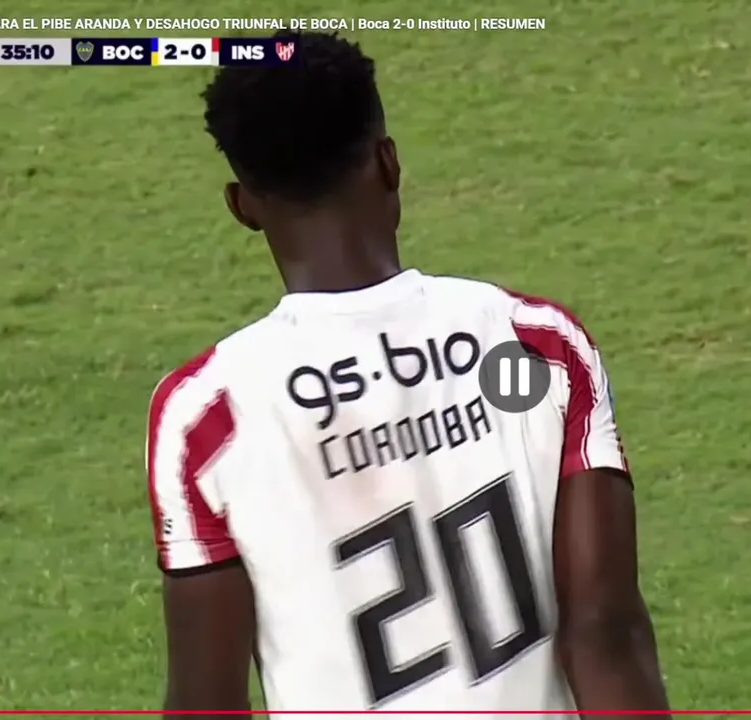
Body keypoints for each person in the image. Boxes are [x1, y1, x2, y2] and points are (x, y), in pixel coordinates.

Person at [145, 30, 671, 717]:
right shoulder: (537, 345)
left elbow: (207, 703)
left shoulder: (208, 416)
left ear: (242, 205)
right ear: (389, 163)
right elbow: (605, 634)